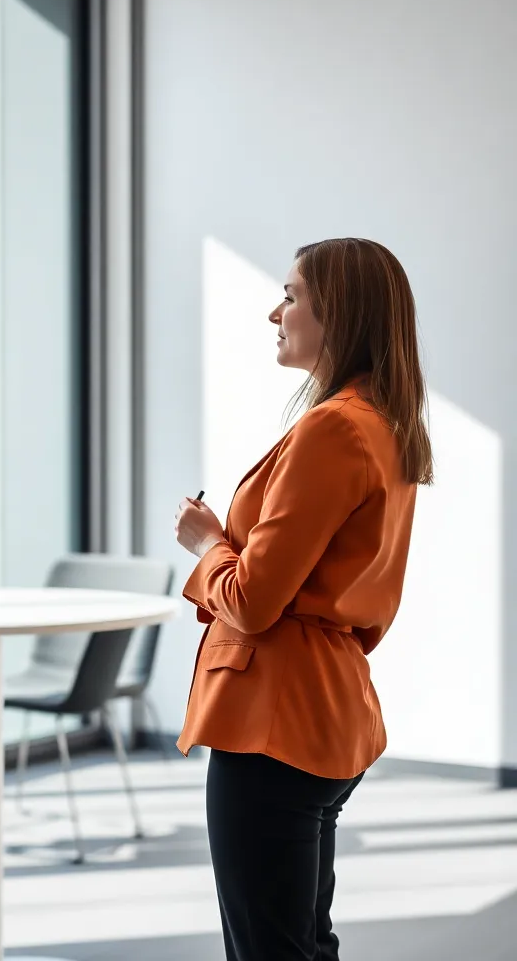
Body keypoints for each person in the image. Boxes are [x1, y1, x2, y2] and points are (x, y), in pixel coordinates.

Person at [174, 238, 432, 961]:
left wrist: (207, 543)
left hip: (274, 723)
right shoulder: (383, 423)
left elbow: (253, 602)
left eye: (290, 296)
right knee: (301, 942)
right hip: (329, 712)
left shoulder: (333, 429)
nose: (273, 312)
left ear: (338, 314)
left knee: (270, 949)